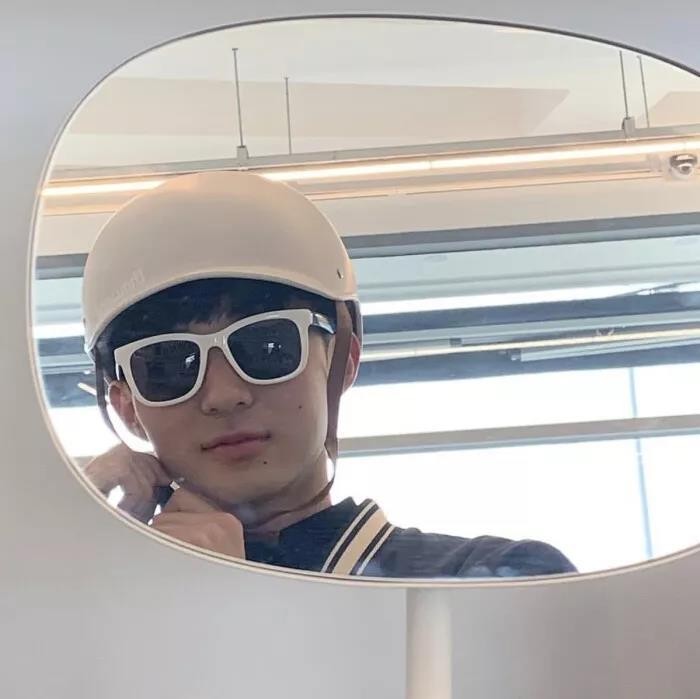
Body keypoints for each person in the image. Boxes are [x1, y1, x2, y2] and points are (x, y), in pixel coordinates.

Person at [82, 171, 576, 578]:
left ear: (342, 361)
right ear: (128, 408)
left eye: (268, 345)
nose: (224, 394)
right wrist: (64, 542)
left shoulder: (501, 579)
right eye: (167, 365)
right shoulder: (99, 607)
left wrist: (230, 605)